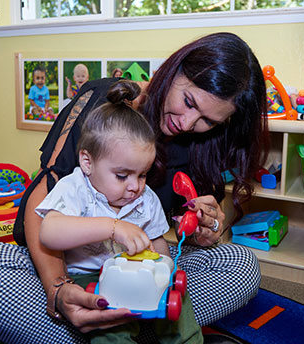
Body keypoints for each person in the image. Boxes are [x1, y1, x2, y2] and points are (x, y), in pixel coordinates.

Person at [0, 32, 267, 343]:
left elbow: (173, 239)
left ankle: (117, 329)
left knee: (241, 264)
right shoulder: (103, 102)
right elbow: (42, 209)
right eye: (188, 102)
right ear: (177, 67)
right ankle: (108, 327)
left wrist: (201, 230)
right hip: (67, 266)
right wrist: (59, 291)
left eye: (208, 121)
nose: (187, 123)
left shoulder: (200, 141)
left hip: (135, 272)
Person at [36, 80, 203, 343]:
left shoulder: (145, 198)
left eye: (143, 174)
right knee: (112, 329)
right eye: (122, 175)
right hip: (88, 276)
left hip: (139, 273)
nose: (135, 186)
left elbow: (158, 241)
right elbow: (49, 232)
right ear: (87, 162)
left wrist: (164, 271)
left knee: (179, 304)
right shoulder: (75, 187)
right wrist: (112, 227)